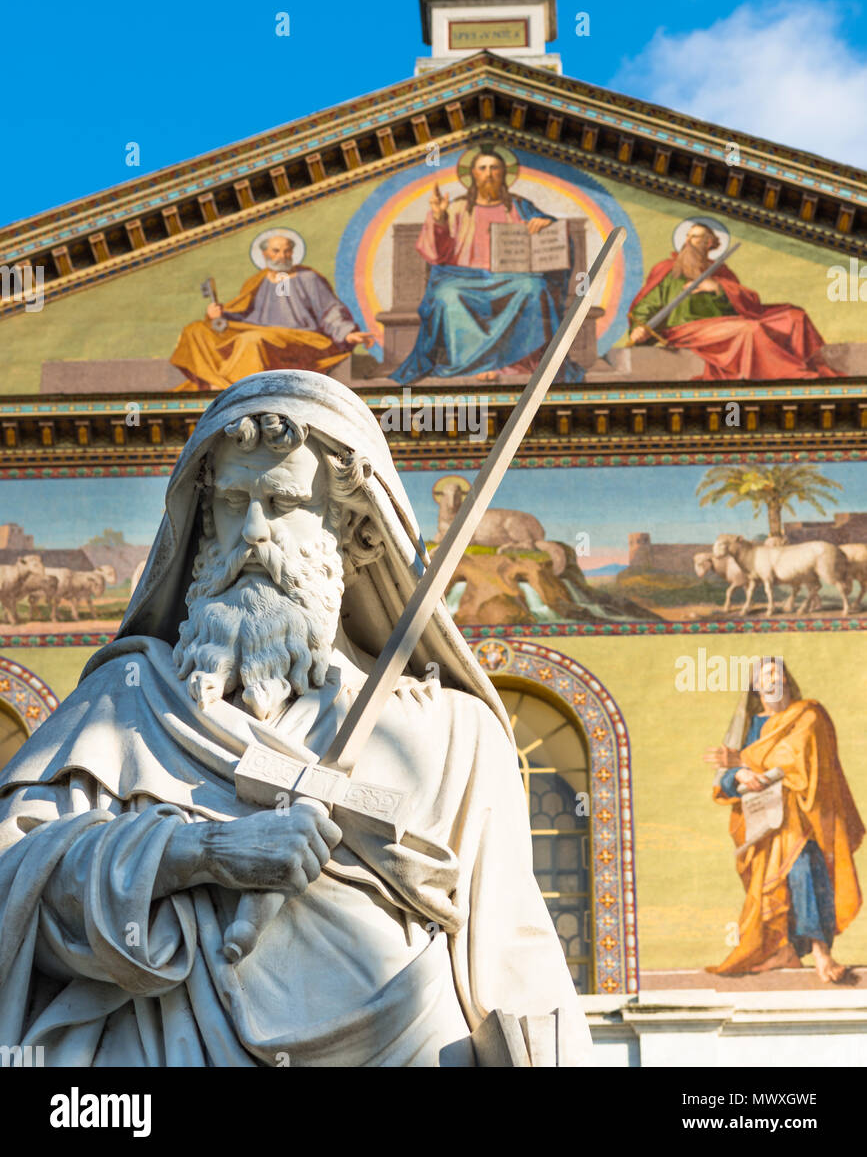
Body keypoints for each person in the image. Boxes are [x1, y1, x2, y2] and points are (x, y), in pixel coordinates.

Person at [0, 371, 591, 1067]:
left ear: (353, 531)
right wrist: (201, 856)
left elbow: (514, 953)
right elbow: (15, 883)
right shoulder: (125, 705)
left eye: (281, 502)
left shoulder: (455, 734)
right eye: (232, 502)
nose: (252, 531)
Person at [704, 658, 863, 981]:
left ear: (787, 682)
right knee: (769, 888)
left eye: (778, 674)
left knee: (805, 873)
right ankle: (784, 950)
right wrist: (741, 773)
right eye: (765, 676)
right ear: (756, 687)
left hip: (803, 816)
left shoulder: (808, 716)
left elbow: (800, 759)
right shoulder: (751, 725)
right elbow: (725, 779)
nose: (773, 680)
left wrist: (746, 762)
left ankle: (821, 953)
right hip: (763, 823)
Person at [392, 147, 579, 384]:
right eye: (483, 168)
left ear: (504, 174)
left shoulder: (521, 207)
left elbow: (556, 234)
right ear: (473, 175)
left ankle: (514, 363)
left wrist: (544, 223)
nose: (488, 174)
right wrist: (439, 218)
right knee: (447, 295)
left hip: (511, 278)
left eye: (494, 168)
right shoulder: (457, 208)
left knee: (533, 287)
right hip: (463, 277)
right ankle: (471, 364)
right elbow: (437, 255)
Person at [628, 221, 836, 381]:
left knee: (794, 316)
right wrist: (639, 328)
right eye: (688, 237)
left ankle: (809, 365)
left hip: (725, 323)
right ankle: (793, 374)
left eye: (696, 238)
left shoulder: (721, 271)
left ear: (709, 243)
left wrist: (719, 288)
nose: (688, 242)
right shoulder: (669, 270)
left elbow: (748, 303)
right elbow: (646, 305)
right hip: (687, 329)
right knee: (749, 329)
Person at [171, 234, 374, 390]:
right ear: (265, 255)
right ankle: (214, 382)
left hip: (302, 338)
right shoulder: (257, 281)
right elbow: (244, 315)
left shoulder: (308, 278)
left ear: (293, 254)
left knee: (251, 341)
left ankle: (238, 392)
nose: (282, 256)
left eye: (286, 252)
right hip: (261, 332)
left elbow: (330, 311)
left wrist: (347, 332)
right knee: (196, 329)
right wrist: (218, 316)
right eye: (276, 251)